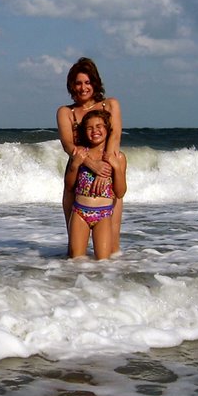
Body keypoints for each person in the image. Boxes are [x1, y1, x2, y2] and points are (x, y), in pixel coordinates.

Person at [55, 57, 123, 254]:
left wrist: (105, 170)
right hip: (78, 173)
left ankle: (111, 278)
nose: (83, 87)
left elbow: (116, 136)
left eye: (87, 82)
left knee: (111, 248)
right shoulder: (66, 112)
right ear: (71, 86)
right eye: (78, 83)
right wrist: (92, 165)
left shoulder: (110, 105)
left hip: (107, 170)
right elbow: (68, 145)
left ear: (95, 82)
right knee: (74, 249)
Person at [65, 108, 127, 259]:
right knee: (76, 260)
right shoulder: (81, 154)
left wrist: (117, 168)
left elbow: (120, 192)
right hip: (80, 212)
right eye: (89, 128)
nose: (95, 131)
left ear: (107, 129)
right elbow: (69, 186)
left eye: (99, 126)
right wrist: (75, 165)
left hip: (104, 214)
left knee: (103, 262)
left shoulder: (117, 158)